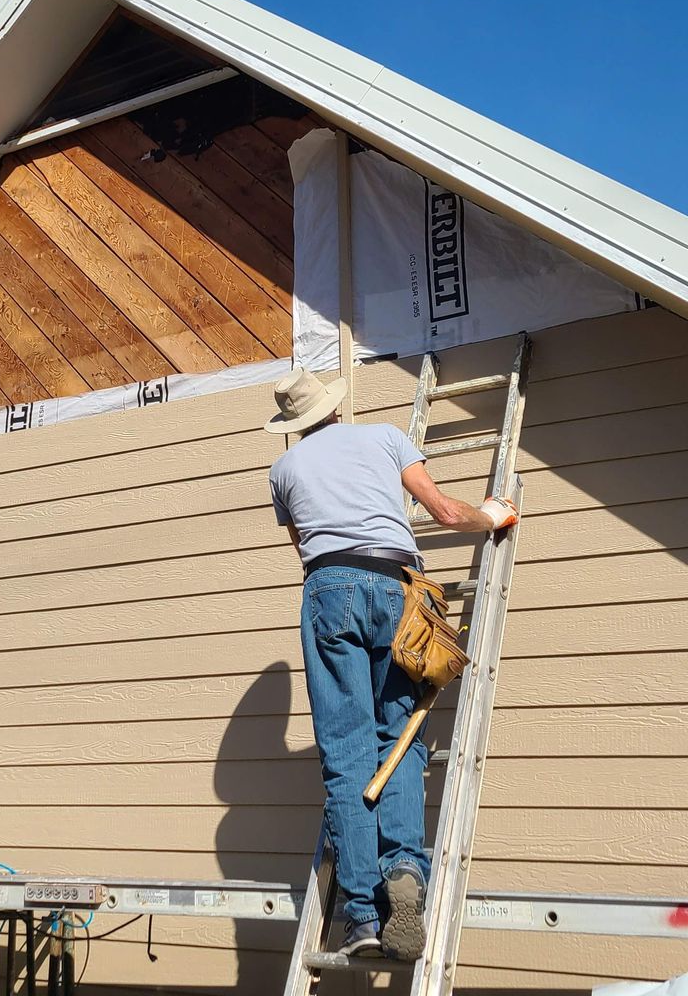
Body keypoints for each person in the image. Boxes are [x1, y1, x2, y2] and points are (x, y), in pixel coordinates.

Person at [265, 365, 515, 961]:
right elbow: (447, 515)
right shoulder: (383, 437)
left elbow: (308, 549)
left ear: (293, 425)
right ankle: (407, 869)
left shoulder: (284, 470)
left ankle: (360, 914)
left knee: (346, 754)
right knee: (400, 735)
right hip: (398, 588)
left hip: (328, 592)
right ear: (334, 407)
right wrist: (495, 514)